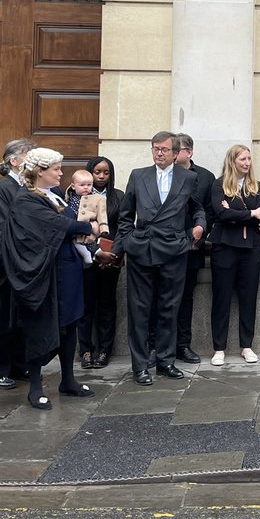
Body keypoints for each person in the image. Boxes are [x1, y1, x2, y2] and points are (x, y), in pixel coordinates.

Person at [3, 148, 100, 409]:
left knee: (70, 325)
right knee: (41, 327)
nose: (60, 173)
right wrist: (86, 227)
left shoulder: (55, 194)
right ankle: (35, 386)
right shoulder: (25, 199)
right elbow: (57, 225)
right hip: (44, 274)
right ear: (39, 172)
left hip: (67, 270)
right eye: (56, 169)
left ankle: (68, 379)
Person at [117, 131, 207, 385]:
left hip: (174, 250)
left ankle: (166, 362)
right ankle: (140, 365)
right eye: (155, 149)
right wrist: (127, 243)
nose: (159, 153)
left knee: (170, 309)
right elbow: (125, 215)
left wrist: (199, 226)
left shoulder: (188, 178)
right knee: (140, 309)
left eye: (164, 150)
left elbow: (197, 208)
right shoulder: (138, 175)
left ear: (176, 153)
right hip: (142, 251)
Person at [0, 138, 36, 388]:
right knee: (4, 320)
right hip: (7, 265)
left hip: (27, 265)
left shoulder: (29, 187)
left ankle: (20, 365)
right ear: (14, 161)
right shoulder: (0, 190)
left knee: (23, 319)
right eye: (29, 156)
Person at [207, 144, 260, 366]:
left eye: (249, 159)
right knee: (221, 298)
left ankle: (247, 346)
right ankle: (219, 348)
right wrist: (249, 213)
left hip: (250, 248)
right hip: (224, 247)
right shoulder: (218, 184)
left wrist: (237, 214)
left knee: (248, 297)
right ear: (232, 161)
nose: (247, 163)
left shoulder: (256, 186)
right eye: (242, 159)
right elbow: (221, 214)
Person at [174, 133, 216, 364]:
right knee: (162, 297)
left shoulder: (206, 177)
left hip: (192, 247)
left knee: (186, 298)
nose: (168, 153)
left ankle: (183, 345)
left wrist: (198, 237)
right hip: (164, 247)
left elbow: (209, 212)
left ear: (188, 153)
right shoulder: (161, 174)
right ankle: (158, 346)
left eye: (174, 149)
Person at [78, 156, 124, 369]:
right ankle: (85, 350)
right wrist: (94, 252)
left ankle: (105, 350)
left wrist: (113, 253)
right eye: (97, 172)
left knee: (107, 304)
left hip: (110, 259)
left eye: (106, 172)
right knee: (86, 305)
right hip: (85, 258)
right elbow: (76, 228)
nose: (101, 176)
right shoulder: (80, 196)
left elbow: (124, 227)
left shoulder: (118, 196)